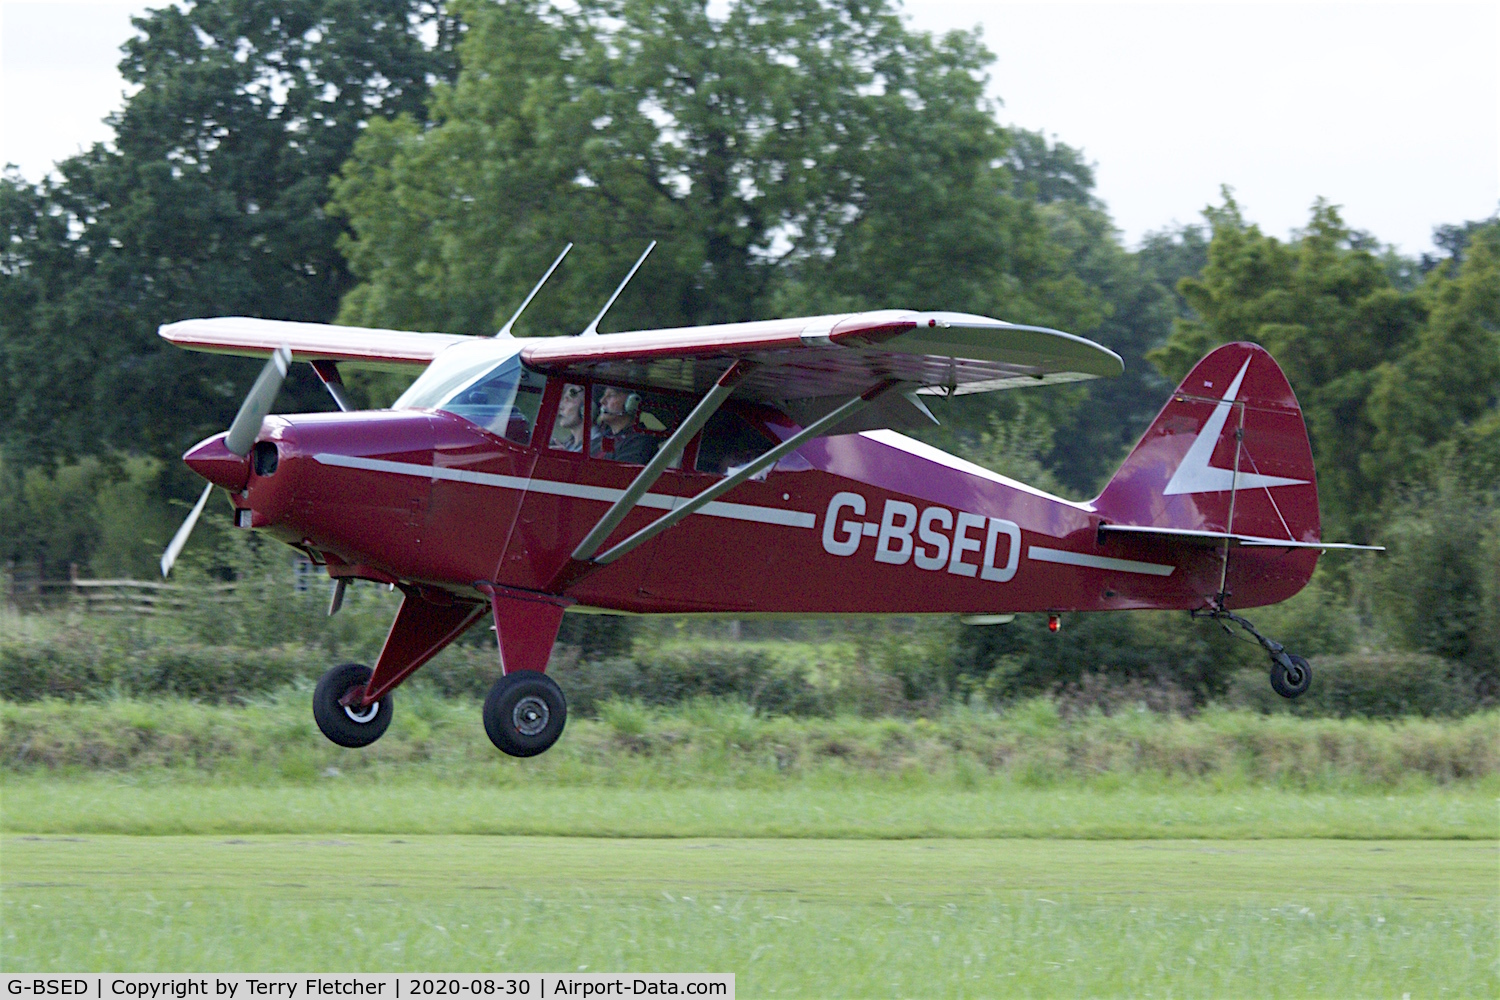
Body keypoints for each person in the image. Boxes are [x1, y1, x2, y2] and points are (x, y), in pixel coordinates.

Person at [591, 385, 660, 464]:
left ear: (633, 402)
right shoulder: (604, 437)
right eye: (604, 395)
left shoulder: (640, 442)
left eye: (611, 395)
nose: (602, 401)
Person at [549, 384, 586, 452]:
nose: (560, 407)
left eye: (568, 400)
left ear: (583, 408)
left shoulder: (596, 447)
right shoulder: (569, 444)